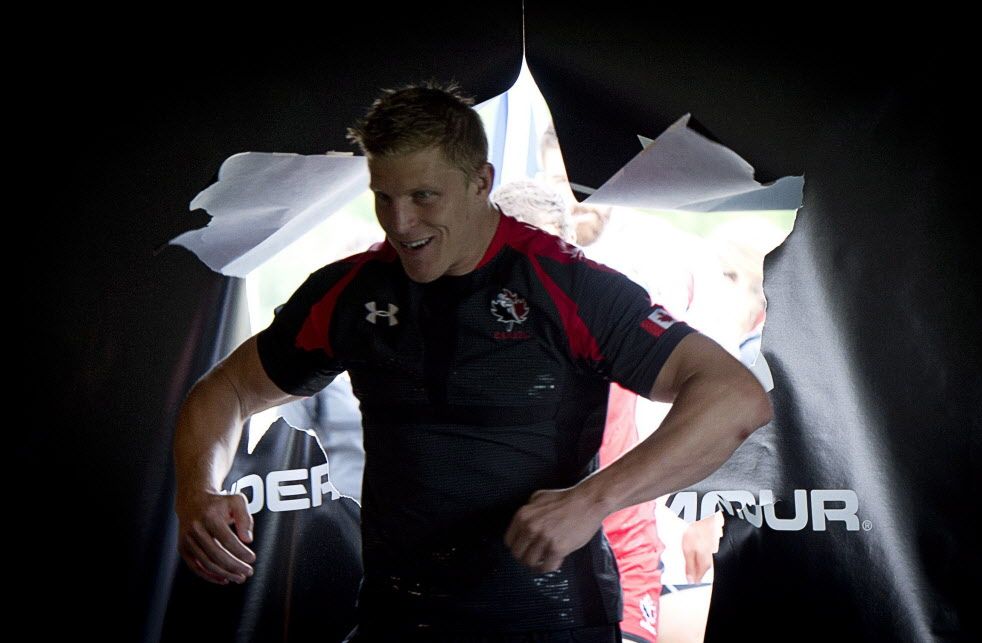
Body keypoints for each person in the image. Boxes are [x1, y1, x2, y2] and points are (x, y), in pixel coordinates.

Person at [172, 81, 772, 642]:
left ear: (481, 181)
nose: (401, 222)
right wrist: (198, 491)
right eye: (384, 196)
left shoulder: (565, 285)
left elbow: (734, 397)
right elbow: (226, 391)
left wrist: (594, 500)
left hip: (550, 622)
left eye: (424, 196)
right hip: (396, 620)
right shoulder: (354, 291)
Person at [493, 179, 664, 643]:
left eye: (553, 258)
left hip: (577, 602)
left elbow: (625, 509)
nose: (537, 281)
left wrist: (633, 626)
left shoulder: (595, 356)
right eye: (521, 259)